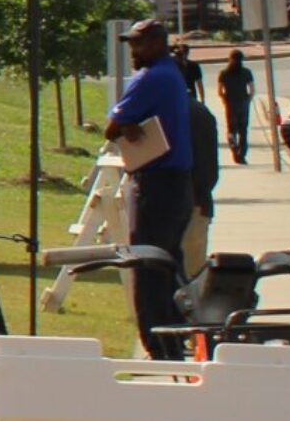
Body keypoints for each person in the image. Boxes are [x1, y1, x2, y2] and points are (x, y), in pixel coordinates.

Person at [106, 19, 197, 358]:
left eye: (139, 43)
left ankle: (158, 346)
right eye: (131, 44)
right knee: (170, 263)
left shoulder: (150, 77)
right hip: (179, 186)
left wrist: (124, 125)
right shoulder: (172, 73)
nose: (133, 51)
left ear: (159, 42)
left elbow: (111, 127)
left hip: (156, 186)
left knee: (147, 267)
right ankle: (176, 334)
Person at [220, 52, 256, 164]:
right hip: (243, 103)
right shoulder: (246, 72)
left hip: (230, 104)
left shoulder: (224, 73)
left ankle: (234, 148)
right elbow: (252, 90)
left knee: (231, 130)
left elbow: (220, 91)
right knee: (243, 131)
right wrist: (248, 100)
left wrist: (224, 100)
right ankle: (242, 154)